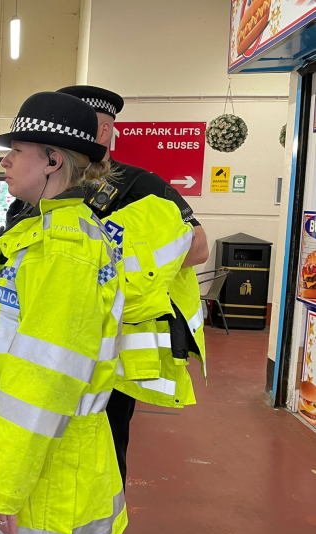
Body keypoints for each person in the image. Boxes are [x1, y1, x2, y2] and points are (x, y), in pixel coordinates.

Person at [0, 92, 127, 534]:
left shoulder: (66, 252)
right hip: (17, 457)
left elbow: (45, 381)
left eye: (17, 151)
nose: (5, 162)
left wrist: (4, 489)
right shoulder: (38, 234)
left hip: (43, 483)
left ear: (52, 161)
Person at [57, 85, 210, 486]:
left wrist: (114, 265)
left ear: (104, 133)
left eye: (75, 127)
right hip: (47, 337)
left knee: (104, 447)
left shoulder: (140, 185)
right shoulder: (44, 183)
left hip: (111, 344)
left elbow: (197, 247)